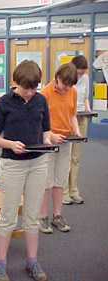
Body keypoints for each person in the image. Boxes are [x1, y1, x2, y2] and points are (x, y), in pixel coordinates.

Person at [0, 61, 50, 281]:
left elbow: (46, 132)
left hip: (38, 163)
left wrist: (51, 142)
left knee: (32, 216)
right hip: (13, 164)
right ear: (17, 83)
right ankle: (1, 264)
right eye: (27, 88)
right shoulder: (4, 103)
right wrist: (11, 144)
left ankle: (32, 261)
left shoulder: (41, 100)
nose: (30, 93)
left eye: (34, 88)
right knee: (8, 216)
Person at [39, 63, 81, 234]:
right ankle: (42, 217)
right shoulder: (44, 94)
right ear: (57, 78)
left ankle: (58, 215)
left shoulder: (73, 92)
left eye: (70, 86)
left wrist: (76, 131)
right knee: (46, 181)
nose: (67, 89)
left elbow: (72, 115)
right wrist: (50, 135)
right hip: (49, 142)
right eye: (65, 85)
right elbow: (39, 122)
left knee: (60, 180)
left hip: (65, 141)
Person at [63, 55, 91, 205]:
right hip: (68, 119)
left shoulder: (85, 79)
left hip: (81, 119)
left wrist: (88, 110)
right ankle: (64, 192)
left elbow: (85, 98)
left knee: (75, 158)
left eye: (81, 73)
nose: (79, 76)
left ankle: (74, 190)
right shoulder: (66, 79)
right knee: (65, 158)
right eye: (78, 73)